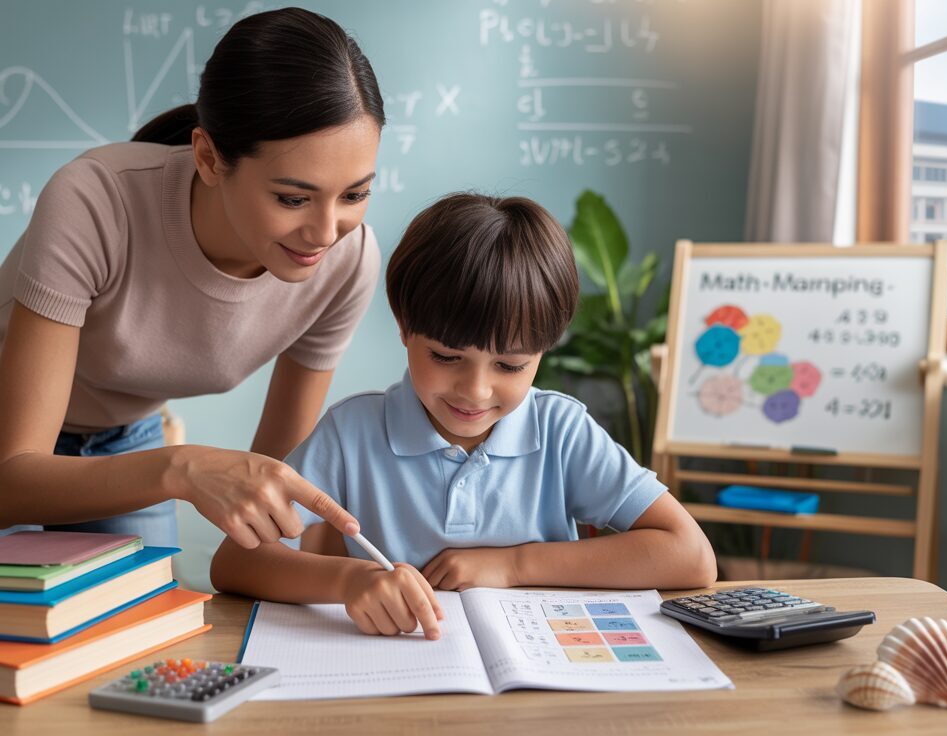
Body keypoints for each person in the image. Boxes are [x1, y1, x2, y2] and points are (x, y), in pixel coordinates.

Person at [210, 193, 717, 640]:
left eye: (511, 365)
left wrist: (513, 565)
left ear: (545, 349)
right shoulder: (351, 435)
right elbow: (233, 563)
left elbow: (691, 556)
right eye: (447, 357)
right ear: (405, 326)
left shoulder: (561, 431)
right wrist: (349, 579)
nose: (475, 391)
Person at [0, 8, 386, 547]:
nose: (325, 232)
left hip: (126, 438)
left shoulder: (346, 265)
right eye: (293, 198)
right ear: (207, 157)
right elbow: (13, 480)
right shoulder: (93, 202)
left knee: (146, 621)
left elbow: (270, 490)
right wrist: (182, 469)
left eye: (355, 194)